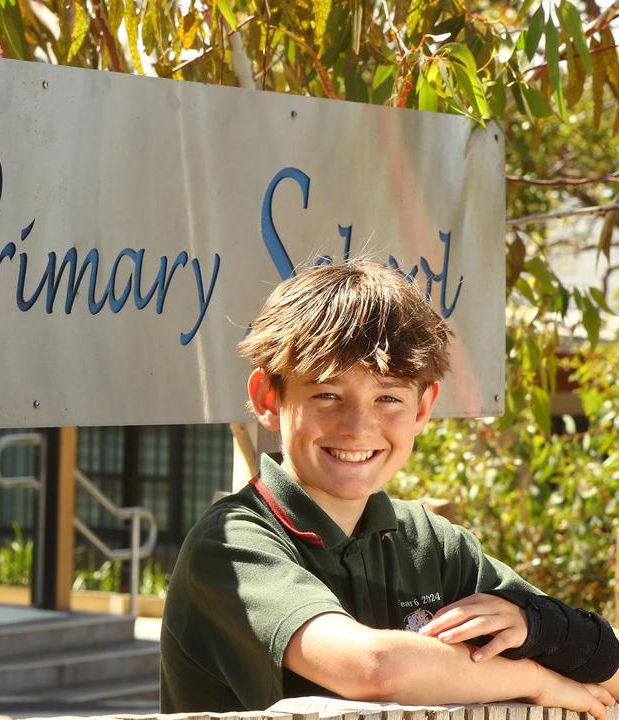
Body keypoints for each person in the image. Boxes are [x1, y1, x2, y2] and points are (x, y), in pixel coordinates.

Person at [159, 260, 619, 719]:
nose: (359, 428)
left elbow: (608, 672)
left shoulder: (432, 544)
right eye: (327, 395)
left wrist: (538, 627)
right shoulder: (231, 545)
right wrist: (534, 681)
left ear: (423, 408)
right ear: (269, 399)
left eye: (389, 398)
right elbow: (373, 668)